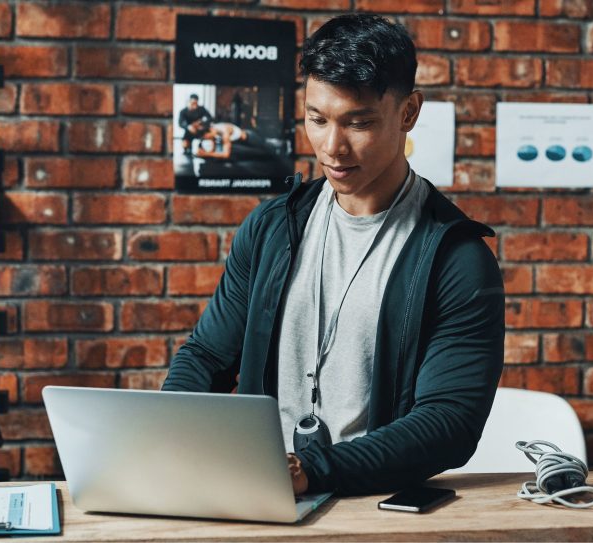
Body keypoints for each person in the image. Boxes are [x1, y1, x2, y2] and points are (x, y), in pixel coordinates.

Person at [162, 14, 505, 496]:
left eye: (358, 122)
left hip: (374, 504)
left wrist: (313, 471)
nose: (331, 146)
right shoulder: (270, 228)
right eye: (317, 119)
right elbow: (206, 357)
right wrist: (163, 435)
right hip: (261, 494)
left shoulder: (456, 258)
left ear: (408, 113)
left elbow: (449, 422)